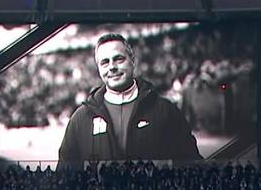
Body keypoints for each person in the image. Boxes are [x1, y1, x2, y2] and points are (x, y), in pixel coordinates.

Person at [58, 33, 202, 166]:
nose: (112, 67)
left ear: (132, 61)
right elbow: (64, 177)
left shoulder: (166, 111)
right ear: (98, 68)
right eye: (105, 62)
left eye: (118, 59)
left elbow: (192, 167)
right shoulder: (80, 119)